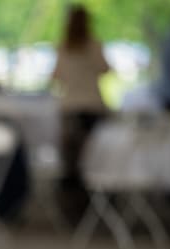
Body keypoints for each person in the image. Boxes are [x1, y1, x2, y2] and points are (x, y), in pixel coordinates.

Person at [51, 4, 109, 213]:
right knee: (94, 158)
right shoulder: (93, 46)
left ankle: (73, 208)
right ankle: (93, 205)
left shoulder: (64, 47)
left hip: (70, 108)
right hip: (91, 107)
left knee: (72, 160)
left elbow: (56, 77)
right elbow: (105, 69)